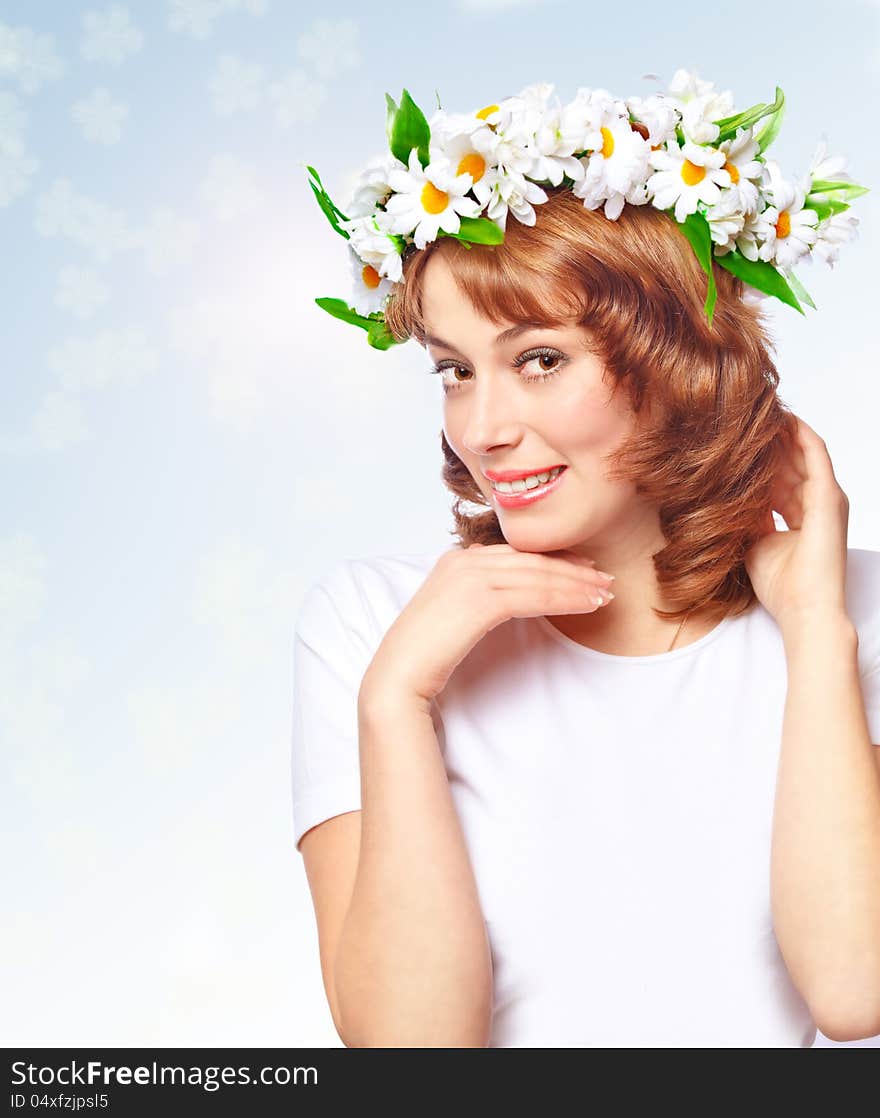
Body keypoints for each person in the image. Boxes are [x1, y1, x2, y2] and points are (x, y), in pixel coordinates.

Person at [291, 79, 880, 1047]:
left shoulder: (847, 607)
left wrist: (817, 633)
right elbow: (411, 1054)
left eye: (540, 360)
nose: (483, 429)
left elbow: (856, 986)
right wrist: (396, 700)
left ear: (676, 356)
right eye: (455, 369)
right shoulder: (370, 627)